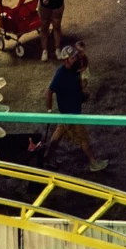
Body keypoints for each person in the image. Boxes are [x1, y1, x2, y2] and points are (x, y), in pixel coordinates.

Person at [44, 44, 107, 172]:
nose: (75, 59)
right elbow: (49, 91)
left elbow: (84, 62)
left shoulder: (74, 67)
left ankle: (48, 157)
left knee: (58, 134)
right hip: (71, 112)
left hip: (70, 110)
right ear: (66, 60)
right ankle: (93, 162)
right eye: (72, 57)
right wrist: (49, 110)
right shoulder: (60, 74)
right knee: (82, 136)